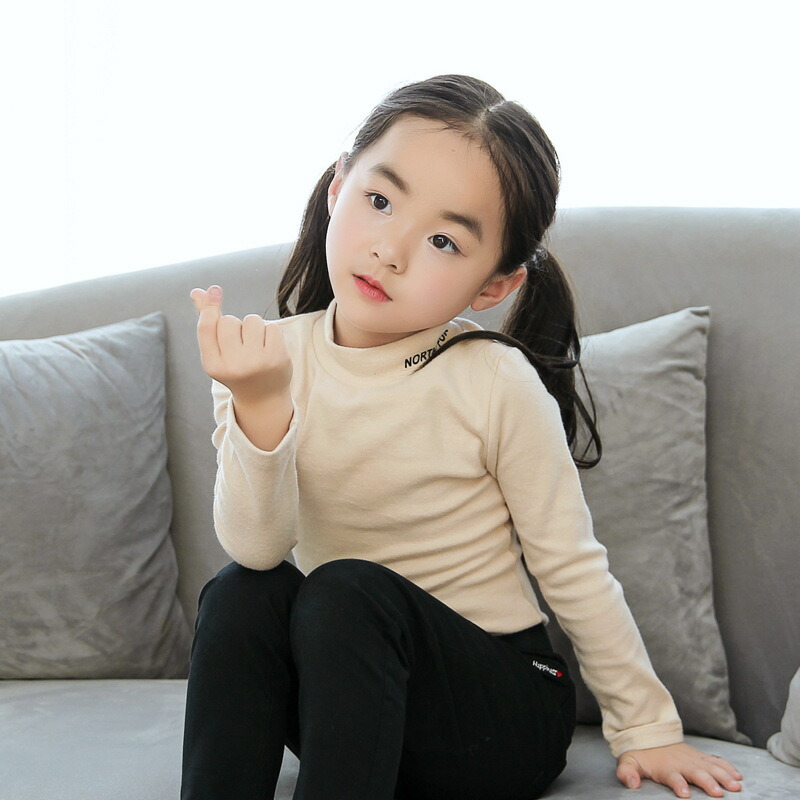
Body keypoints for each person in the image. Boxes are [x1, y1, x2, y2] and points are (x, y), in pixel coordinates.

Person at [180, 74, 743, 800]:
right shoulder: (265, 361)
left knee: (346, 590)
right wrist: (260, 404)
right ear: (337, 188)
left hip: (498, 709)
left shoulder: (493, 380)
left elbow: (571, 567)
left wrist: (648, 728)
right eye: (379, 201)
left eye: (443, 241)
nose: (391, 251)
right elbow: (257, 550)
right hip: (357, 704)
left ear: (493, 286)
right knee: (241, 593)